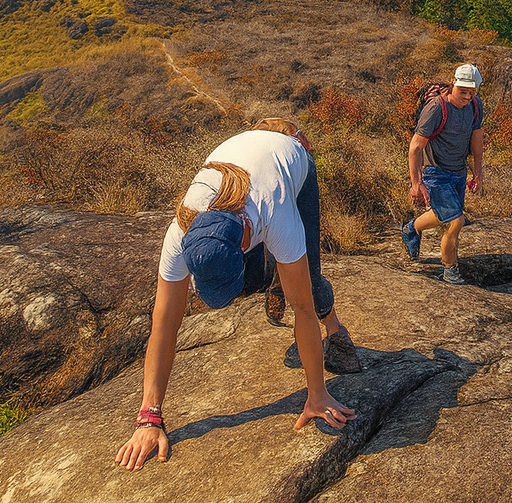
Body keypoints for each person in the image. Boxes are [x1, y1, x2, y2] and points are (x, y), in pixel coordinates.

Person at [115, 119, 361, 471]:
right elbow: (164, 324)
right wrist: (149, 418)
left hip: (293, 160)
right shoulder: (181, 234)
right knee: (273, 274)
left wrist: (317, 395)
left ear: (246, 239)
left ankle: (334, 325)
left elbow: (303, 310)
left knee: (308, 281)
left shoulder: (276, 209)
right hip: (250, 158)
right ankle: (277, 274)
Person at [400, 63, 486, 285]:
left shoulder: (475, 105)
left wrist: (477, 172)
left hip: (458, 171)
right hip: (434, 171)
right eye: (463, 91)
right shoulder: (436, 108)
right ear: (453, 84)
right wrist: (416, 183)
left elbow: (476, 138)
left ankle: (411, 229)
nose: (467, 97)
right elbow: (415, 147)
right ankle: (449, 270)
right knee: (455, 221)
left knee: (442, 215)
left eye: (472, 92)